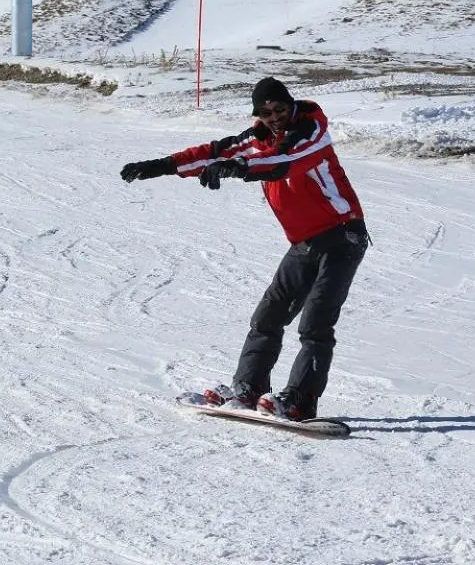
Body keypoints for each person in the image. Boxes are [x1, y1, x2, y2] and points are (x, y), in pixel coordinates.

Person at [119, 76, 369, 421]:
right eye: (265, 112)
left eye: (279, 108)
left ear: (290, 105)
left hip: (342, 236)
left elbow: (285, 164)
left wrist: (240, 168)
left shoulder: (311, 132)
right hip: (304, 242)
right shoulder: (259, 139)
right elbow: (214, 152)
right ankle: (249, 388)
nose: (274, 116)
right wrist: (161, 166)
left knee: (315, 323)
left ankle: (301, 399)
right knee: (267, 317)